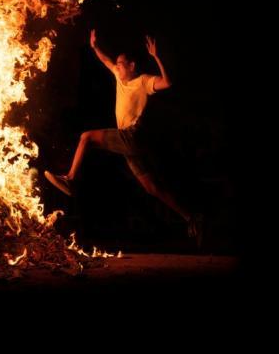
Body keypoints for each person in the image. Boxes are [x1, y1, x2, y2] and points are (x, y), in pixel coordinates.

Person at [44, 29, 200, 237]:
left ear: (132, 66)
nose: (116, 67)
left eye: (121, 64)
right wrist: (95, 47)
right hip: (131, 143)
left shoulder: (144, 81)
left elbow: (168, 83)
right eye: (116, 64)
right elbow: (105, 60)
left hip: (131, 136)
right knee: (152, 188)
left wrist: (156, 57)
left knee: (86, 137)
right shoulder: (119, 76)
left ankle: (70, 178)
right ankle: (191, 217)